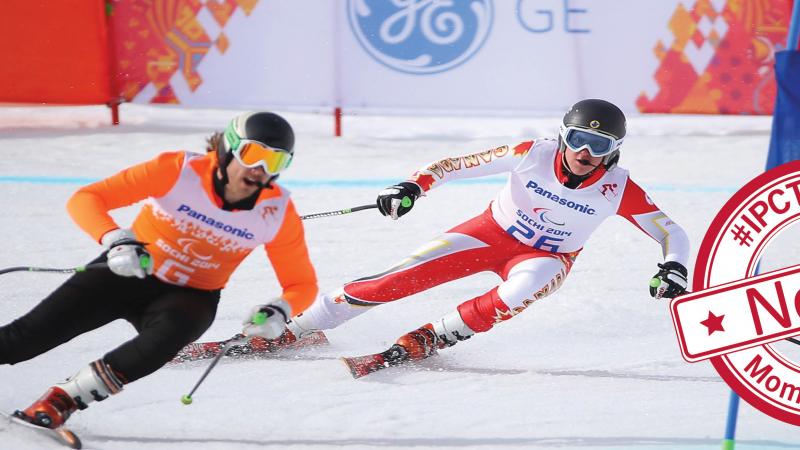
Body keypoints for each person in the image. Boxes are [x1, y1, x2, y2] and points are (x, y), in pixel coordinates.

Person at [244, 99, 690, 370]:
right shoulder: (532, 153)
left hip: (547, 258)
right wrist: (412, 186)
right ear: (562, 136)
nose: (585, 153)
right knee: (394, 279)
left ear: (615, 151)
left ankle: (436, 336)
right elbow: (454, 165)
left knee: (523, 288)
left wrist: (673, 266)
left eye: (601, 146)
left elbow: (671, 231)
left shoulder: (619, 188)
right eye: (578, 139)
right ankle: (298, 327)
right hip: (489, 233)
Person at [0, 112, 317, 428]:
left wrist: (280, 309)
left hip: (191, 297)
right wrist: (115, 239)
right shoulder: (179, 170)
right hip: (129, 272)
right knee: (25, 340)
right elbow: (87, 198)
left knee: (164, 342)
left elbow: (302, 283)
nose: (260, 170)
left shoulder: (277, 212)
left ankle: (61, 400)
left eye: (276, 162)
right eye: (254, 154)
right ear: (228, 148)